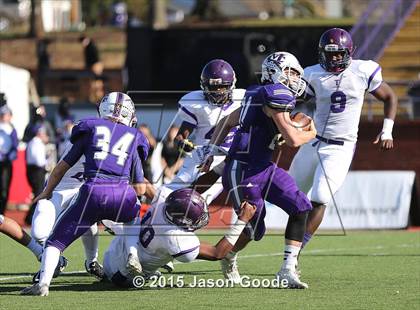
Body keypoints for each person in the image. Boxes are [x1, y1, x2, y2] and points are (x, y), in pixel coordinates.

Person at [201, 52, 317, 288]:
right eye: (290, 72)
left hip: (263, 166)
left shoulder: (256, 92)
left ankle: (287, 269)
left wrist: (212, 150)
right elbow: (294, 140)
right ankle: (229, 255)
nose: (295, 78)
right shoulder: (274, 93)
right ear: (274, 71)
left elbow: (227, 121)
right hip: (243, 170)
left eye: (296, 73)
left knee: (301, 206)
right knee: (255, 229)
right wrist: (312, 132)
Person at [21, 92, 149, 296]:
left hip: (89, 189)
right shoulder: (129, 136)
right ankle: (132, 254)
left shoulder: (89, 129)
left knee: (69, 232)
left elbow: (61, 167)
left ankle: (84, 264)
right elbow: (139, 184)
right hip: (67, 188)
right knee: (39, 232)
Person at [288, 28, 398, 249]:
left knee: (320, 198)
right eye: (330, 54)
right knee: (289, 196)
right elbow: (293, 101)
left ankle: (294, 254)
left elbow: (389, 97)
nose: (334, 58)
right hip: (312, 141)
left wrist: (387, 130)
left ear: (349, 51)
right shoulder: (313, 73)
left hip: (340, 148)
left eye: (339, 53)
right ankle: (245, 244)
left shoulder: (362, 70)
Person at [103, 186, 256, 287]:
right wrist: (242, 220)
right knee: (165, 254)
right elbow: (218, 253)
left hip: (112, 252)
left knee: (134, 217)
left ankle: (120, 229)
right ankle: (154, 265)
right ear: (182, 220)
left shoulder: (164, 198)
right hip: (122, 276)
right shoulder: (176, 239)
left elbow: (143, 185)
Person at [169, 59, 246, 203]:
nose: (217, 92)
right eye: (212, 87)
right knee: (173, 190)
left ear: (231, 85)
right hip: (202, 152)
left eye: (222, 87)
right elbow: (180, 136)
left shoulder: (243, 99)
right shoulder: (195, 103)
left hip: (228, 155)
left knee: (197, 200)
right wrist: (182, 143)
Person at [31, 141, 103, 281]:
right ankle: (56, 260)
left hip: (82, 190)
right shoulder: (84, 139)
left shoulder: (116, 146)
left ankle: (92, 262)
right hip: (56, 190)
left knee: (89, 223)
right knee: (38, 233)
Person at [25, 125, 49, 225]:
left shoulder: (33, 142)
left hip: (34, 170)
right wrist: (46, 164)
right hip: (37, 171)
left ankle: (30, 217)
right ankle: (30, 217)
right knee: (39, 194)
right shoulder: (36, 143)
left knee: (38, 193)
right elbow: (39, 161)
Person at [0, 101, 18, 215]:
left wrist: (8, 156)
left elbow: (14, 146)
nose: (3, 117)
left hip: (5, 163)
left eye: (5, 115)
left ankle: (1, 212)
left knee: (4, 189)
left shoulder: (11, 129)